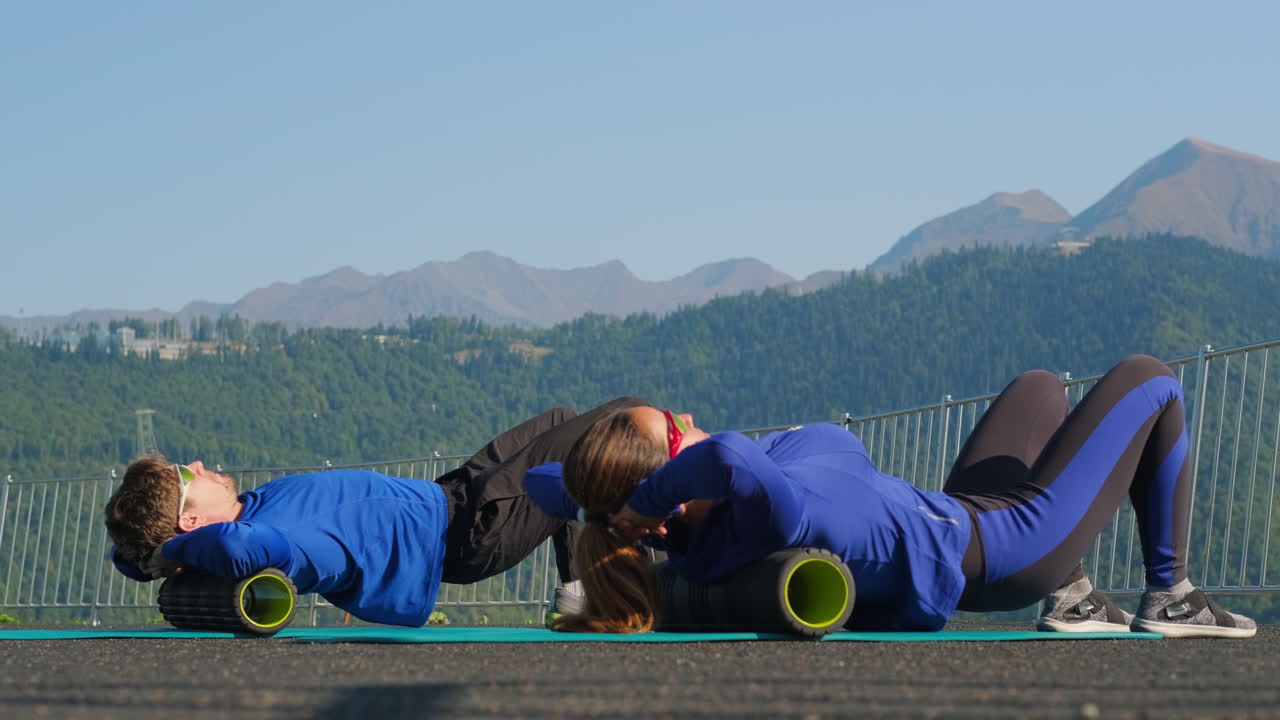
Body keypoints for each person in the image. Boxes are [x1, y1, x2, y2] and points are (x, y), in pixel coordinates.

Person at [527, 355, 1256, 637]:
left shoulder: (708, 520)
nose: (687, 416)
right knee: (1152, 381)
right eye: (672, 426)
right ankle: (1173, 596)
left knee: (1038, 388)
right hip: (1010, 547)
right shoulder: (768, 513)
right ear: (666, 491)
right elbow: (732, 457)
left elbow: (549, 485)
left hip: (957, 516)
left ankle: (1077, 598)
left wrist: (606, 502)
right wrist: (646, 500)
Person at [104, 397, 647, 626]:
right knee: (626, 420)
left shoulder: (254, 509)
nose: (200, 464)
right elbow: (233, 546)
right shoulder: (276, 541)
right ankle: (636, 585)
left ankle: (583, 589)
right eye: (188, 475)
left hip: (453, 494)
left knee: (562, 421)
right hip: (471, 529)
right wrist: (171, 549)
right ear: (190, 522)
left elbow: (124, 558)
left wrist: (151, 553)